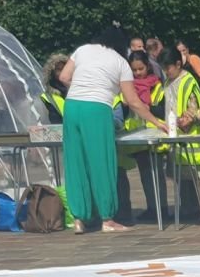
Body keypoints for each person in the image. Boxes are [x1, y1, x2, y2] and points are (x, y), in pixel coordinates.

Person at [58, 27, 164, 234]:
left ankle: (79, 218)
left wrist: (82, 86)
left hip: (72, 106)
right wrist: (156, 121)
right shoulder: (120, 62)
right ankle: (107, 218)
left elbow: (63, 77)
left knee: (75, 162)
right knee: (102, 162)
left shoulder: (82, 50)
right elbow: (132, 101)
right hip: (97, 108)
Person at [159, 45, 200, 220]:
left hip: (189, 134)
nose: (165, 72)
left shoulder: (188, 81)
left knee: (190, 176)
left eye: (167, 68)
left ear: (178, 64)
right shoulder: (168, 82)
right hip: (175, 133)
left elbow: (193, 106)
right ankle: (187, 207)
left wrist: (183, 121)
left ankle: (193, 208)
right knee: (180, 176)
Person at [122, 50, 166, 220]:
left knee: (156, 174)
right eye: (134, 70)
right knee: (145, 173)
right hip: (136, 135)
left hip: (154, 135)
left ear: (148, 66)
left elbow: (162, 108)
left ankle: (160, 208)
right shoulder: (126, 87)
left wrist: (148, 109)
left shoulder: (157, 85)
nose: (137, 73)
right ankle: (151, 207)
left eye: (140, 69)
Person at [40, 54, 68, 124]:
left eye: (65, 69)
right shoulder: (47, 97)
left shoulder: (78, 93)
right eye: (59, 69)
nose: (62, 72)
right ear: (52, 73)